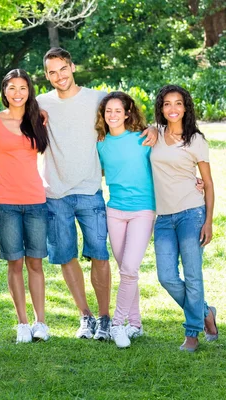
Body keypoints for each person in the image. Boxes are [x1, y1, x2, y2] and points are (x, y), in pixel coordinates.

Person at [35, 47, 157, 340]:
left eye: (63, 68)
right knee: (66, 257)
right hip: (55, 193)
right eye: (52, 72)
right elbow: (14, 114)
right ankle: (85, 317)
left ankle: (105, 318)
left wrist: (153, 128)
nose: (58, 76)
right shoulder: (39, 103)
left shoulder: (97, 100)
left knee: (99, 256)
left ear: (72, 66)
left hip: (90, 190)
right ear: (47, 75)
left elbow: (125, 119)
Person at [0, 69, 50, 343]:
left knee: (35, 263)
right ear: (4, 90)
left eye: (23, 88)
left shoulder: (39, 119)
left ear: (29, 91)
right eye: (12, 88)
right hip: (6, 202)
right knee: (15, 262)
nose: (17, 93)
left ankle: (40, 322)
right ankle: (22, 322)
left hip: (36, 201)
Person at [150, 84, 218, 352]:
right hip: (164, 218)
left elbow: (209, 183)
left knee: (192, 275)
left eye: (178, 103)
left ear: (186, 107)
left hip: (191, 213)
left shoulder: (195, 140)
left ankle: (192, 334)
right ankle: (205, 313)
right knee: (166, 276)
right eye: (167, 104)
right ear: (161, 108)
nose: (173, 109)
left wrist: (209, 221)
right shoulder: (155, 133)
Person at [94, 92, 155, 348]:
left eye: (118, 110)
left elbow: (168, 160)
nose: (113, 115)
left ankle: (118, 325)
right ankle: (136, 324)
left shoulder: (143, 138)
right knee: (126, 271)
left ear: (128, 113)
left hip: (143, 210)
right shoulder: (100, 143)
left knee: (129, 270)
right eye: (108, 111)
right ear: (103, 114)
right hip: (114, 212)